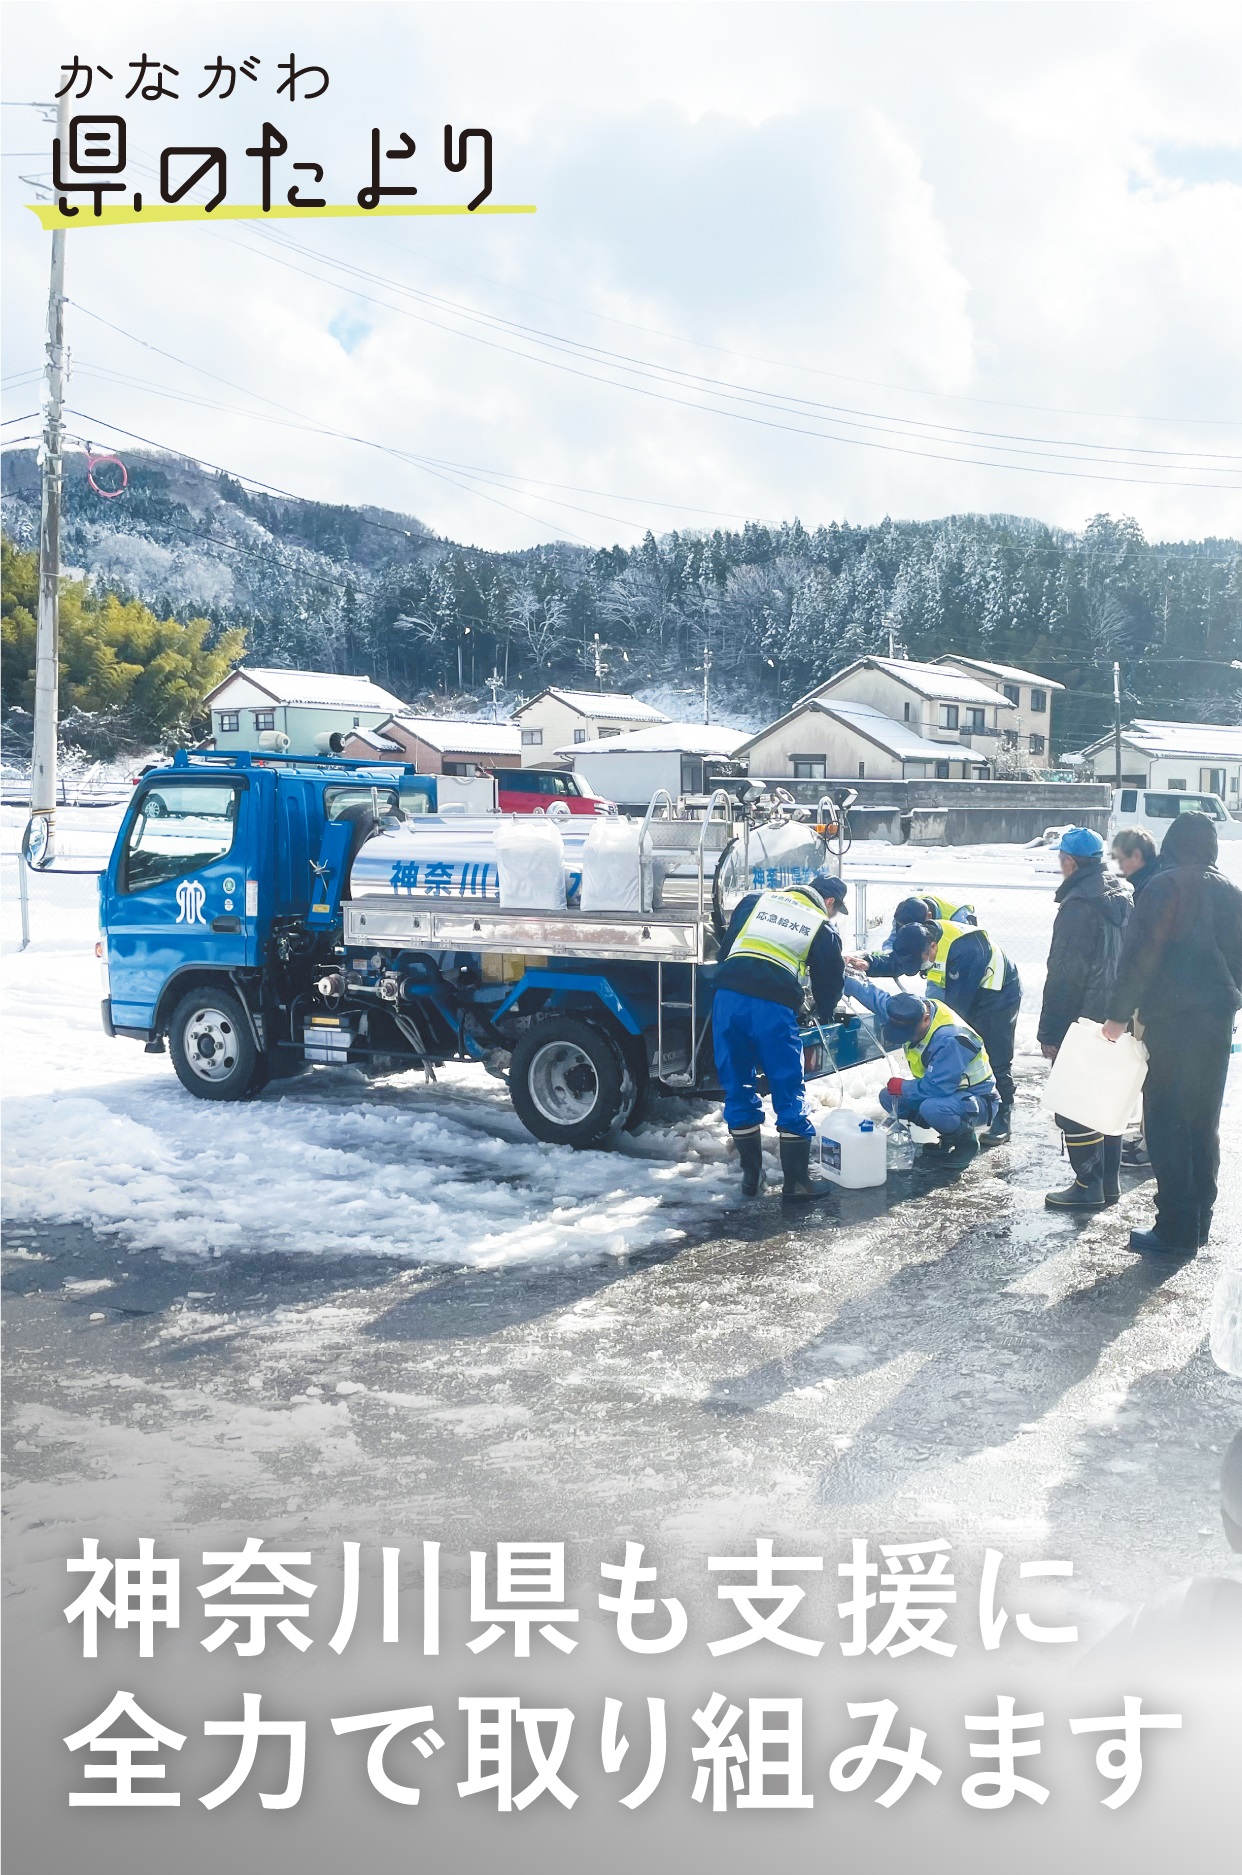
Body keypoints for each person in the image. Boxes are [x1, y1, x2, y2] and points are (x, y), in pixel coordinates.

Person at [1103, 811, 1242, 1256]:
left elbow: (1140, 956)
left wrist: (1118, 1015)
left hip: (1170, 1022)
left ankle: (1176, 1228)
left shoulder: (1162, 887)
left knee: (1164, 1122)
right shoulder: (1232, 891)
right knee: (1203, 1124)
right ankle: (1200, 1221)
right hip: (1215, 1025)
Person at [712, 872, 848, 1201]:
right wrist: (824, 1011)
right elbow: (829, 982)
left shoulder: (755, 900)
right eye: (835, 908)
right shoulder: (821, 925)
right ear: (828, 902)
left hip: (727, 998)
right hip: (771, 1007)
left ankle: (750, 1177)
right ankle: (797, 1182)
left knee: (738, 1085)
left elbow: (727, 948)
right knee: (788, 1087)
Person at [854, 915, 1021, 1144]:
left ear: (932, 947)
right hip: (955, 989)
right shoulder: (918, 940)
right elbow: (889, 978)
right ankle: (934, 1115)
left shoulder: (966, 950)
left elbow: (954, 1016)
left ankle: (1001, 1116)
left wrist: (930, 1068)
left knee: (992, 1053)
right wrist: (868, 966)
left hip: (997, 994)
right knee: (924, 1073)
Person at [1037, 826, 1132, 1210]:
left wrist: (1050, 1031)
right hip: (1116, 1016)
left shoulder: (1079, 905)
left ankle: (1086, 1184)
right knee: (1106, 1099)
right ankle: (1109, 1182)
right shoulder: (1122, 896)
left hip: (1082, 1017)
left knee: (1075, 1103)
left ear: (1070, 862)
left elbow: (1065, 973)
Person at [844, 976, 998, 1159]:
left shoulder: (950, 1040)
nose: (908, 1038)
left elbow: (937, 1089)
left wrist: (903, 1087)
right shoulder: (907, 1012)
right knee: (888, 1097)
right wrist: (845, 981)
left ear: (925, 1019)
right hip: (945, 1092)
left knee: (932, 1108)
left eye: (909, 1034)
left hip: (977, 1099)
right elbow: (875, 997)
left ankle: (966, 1142)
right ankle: (946, 1132)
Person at [1109, 827, 1159, 1166]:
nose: (1118, 866)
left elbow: (1141, 957)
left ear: (1137, 857)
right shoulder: (1156, 882)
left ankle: (1149, 1146)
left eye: (1121, 858)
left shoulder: (1152, 889)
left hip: (1156, 1004)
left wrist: (1121, 1012)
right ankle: (1147, 1139)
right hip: (1173, 1003)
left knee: (1150, 1074)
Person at [882, 892, 977, 949]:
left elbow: (971, 949)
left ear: (929, 916)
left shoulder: (958, 918)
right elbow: (893, 940)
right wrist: (888, 953)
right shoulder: (905, 912)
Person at [1111, 827, 1159, 898]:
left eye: (1120, 860)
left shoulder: (1150, 891)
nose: (1119, 866)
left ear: (1136, 856)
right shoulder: (1154, 878)